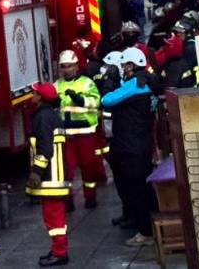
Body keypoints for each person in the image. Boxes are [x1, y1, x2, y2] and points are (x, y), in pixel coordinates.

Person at [102, 48, 157, 247]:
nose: (123, 69)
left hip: (131, 146)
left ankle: (145, 232)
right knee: (144, 188)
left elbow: (106, 100)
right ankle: (147, 226)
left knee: (137, 190)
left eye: (125, 65)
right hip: (142, 144)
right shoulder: (148, 82)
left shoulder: (135, 85)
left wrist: (109, 83)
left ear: (131, 66)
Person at [26, 81, 71, 266]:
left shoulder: (43, 118)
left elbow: (45, 149)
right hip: (56, 175)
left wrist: (36, 172)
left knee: (54, 217)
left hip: (51, 177)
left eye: (34, 94)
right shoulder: (50, 115)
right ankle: (57, 250)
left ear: (41, 98)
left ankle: (60, 253)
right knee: (54, 216)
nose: (31, 96)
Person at [54, 49, 104, 210]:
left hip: (85, 133)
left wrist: (80, 99)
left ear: (76, 66)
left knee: (88, 168)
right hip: (66, 135)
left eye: (69, 66)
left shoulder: (87, 83)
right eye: (64, 66)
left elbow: (96, 102)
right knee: (67, 171)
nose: (66, 69)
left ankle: (90, 197)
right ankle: (68, 201)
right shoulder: (56, 86)